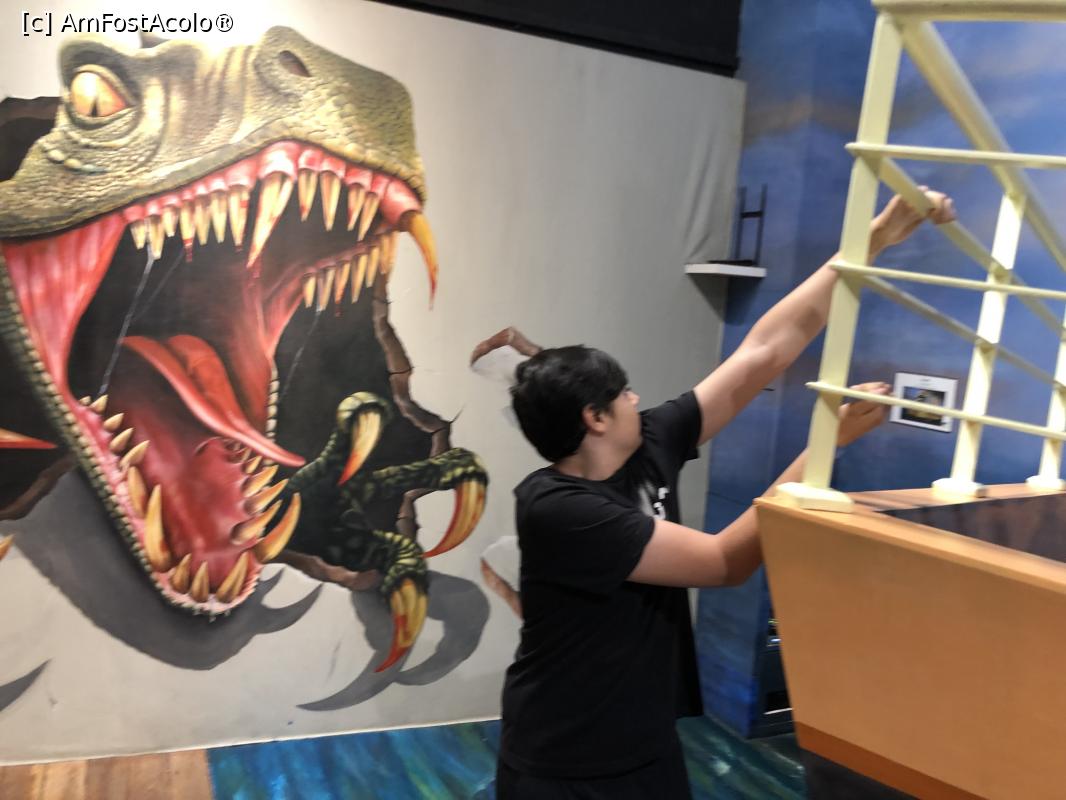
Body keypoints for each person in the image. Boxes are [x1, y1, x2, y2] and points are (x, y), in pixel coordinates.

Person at [495, 189, 957, 799]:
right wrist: (825, 445)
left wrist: (872, 240)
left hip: (643, 737)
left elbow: (765, 350)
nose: (636, 397)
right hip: (564, 759)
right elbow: (723, 562)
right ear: (595, 418)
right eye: (623, 393)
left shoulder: (646, 442)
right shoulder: (557, 508)